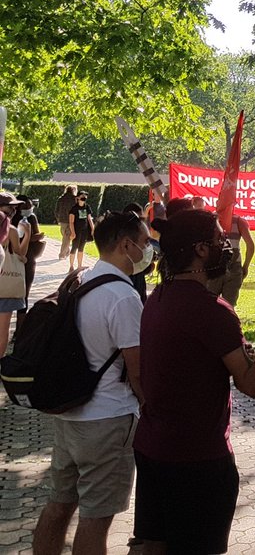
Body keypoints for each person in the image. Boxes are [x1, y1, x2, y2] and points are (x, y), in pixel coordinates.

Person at [134, 207, 255, 555]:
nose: (227, 247)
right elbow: (251, 385)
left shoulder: (155, 300)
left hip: (151, 446)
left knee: (154, 543)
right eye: (221, 240)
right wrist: (250, 355)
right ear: (202, 249)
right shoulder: (214, 311)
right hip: (199, 458)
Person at [31, 211, 145, 555]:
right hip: (108, 421)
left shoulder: (79, 279)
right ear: (125, 245)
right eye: (143, 243)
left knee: (58, 505)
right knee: (96, 519)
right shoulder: (124, 297)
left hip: (70, 416)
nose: (147, 251)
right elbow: (137, 372)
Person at [0, 192, 36, 349]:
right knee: (2, 330)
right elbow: (20, 253)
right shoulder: (12, 230)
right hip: (5, 286)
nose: (14, 210)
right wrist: (27, 234)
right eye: (11, 207)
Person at [205, 208, 254, 308]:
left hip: (214, 264)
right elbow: (250, 246)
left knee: (209, 302)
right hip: (233, 264)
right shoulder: (240, 221)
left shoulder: (209, 220)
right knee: (229, 305)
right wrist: (245, 266)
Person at [67, 190, 95, 272]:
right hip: (76, 231)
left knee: (81, 248)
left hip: (85, 231)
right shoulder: (74, 209)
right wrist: (73, 232)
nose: (84, 198)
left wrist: (93, 229)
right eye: (82, 196)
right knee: (74, 248)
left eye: (85, 196)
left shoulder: (87, 207)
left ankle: (79, 266)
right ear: (78, 198)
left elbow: (89, 219)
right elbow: (71, 222)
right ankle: (71, 266)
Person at [55, 185, 76, 261]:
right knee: (66, 238)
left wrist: (58, 219)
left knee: (65, 237)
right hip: (71, 221)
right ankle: (63, 254)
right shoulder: (75, 199)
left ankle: (65, 252)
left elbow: (56, 210)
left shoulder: (61, 199)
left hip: (62, 220)